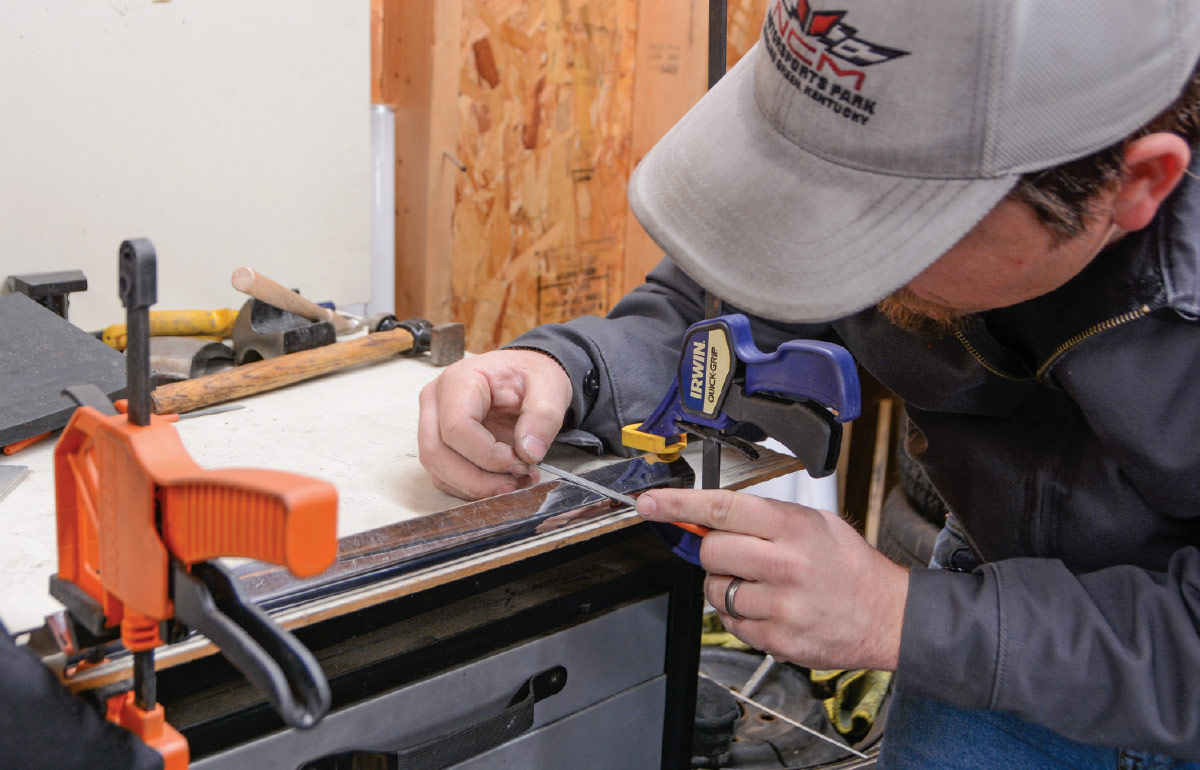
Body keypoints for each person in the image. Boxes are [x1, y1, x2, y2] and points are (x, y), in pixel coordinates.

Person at [418, 0, 1200, 765]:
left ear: (1133, 187)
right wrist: (572, 368)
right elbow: (727, 299)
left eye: (892, 222)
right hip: (981, 600)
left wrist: (901, 617)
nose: (827, 251)